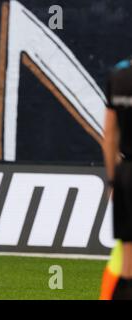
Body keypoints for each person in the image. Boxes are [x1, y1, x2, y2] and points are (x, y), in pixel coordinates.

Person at [103, 57, 132, 300]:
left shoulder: (119, 75)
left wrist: (113, 180)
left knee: (127, 266)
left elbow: (110, 137)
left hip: (126, 175)